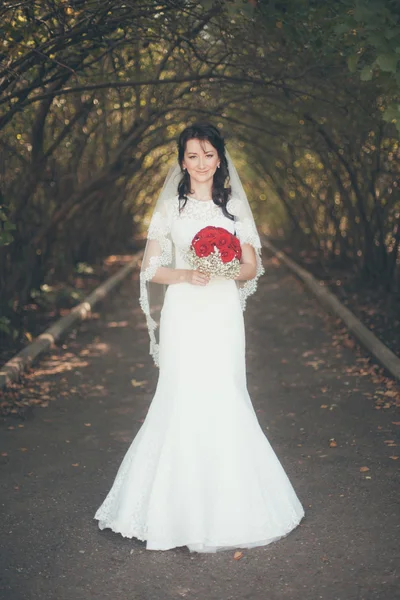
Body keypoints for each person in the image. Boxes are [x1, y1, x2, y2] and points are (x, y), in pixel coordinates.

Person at [94, 122, 305, 553]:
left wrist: (226, 268)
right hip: (185, 312)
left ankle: (231, 506)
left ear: (220, 159)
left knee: (224, 392)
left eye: (209, 155)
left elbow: (252, 267)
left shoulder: (235, 212)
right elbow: (150, 269)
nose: (202, 163)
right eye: (193, 156)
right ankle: (172, 511)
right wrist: (187, 273)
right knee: (181, 394)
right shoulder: (171, 209)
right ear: (182, 161)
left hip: (223, 311)